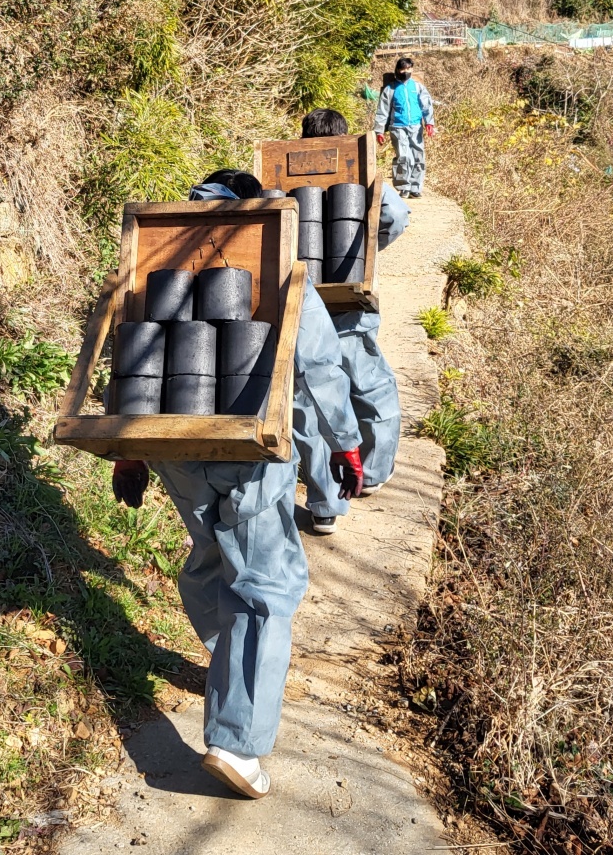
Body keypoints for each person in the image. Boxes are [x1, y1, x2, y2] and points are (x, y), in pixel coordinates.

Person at [111, 169, 363, 800]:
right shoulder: (270, 244)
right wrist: (345, 441)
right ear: (258, 202)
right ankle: (236, 740)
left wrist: (126, 451)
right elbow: (319, 363)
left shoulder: (161, 245)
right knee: (267, 582)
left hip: (170, 439)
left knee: (208, 556)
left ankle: (233, 665)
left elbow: (136, 346)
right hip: (247, 445)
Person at [295, 109, 409, 519]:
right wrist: (366, 250)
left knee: (311, 398)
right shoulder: (359, 169)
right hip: (348, 300)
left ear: (302, 137)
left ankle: (326, 503)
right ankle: (373, 473)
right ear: (344, 139)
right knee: (368, 385)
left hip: (300, 301)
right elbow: (396, 216)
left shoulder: (281, 170)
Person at [373, 57, 435, 199]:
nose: (405, 71)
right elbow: (382, 111)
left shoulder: (418, 87)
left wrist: (429, 123)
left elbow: (426, 105)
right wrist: (379, 130)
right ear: (397, 70)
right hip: (398, 127)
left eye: (408, 68)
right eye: (402, 69)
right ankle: (404, 187)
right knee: (404, 157)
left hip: (416, 126)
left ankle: (415, 187)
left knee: (418, 156)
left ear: (412, 69)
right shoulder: (390, 89)